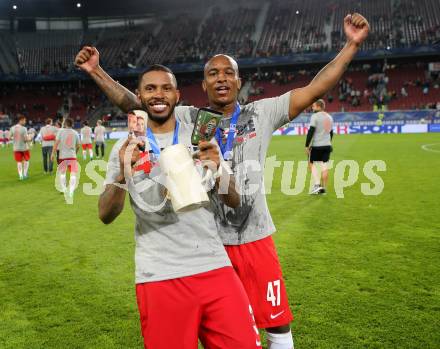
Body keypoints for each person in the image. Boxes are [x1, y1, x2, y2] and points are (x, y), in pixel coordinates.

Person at [75, 12, 369, 349]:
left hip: (253, 233)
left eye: (229, 72)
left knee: (277, 323)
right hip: (209, 242)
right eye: (213, 73)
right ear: (202, 86)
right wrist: (97, 71)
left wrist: (350, 46)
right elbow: (139, 102)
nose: (221, 79)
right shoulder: (190, 118)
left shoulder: (263, 112)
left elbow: (316, 86)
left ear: (239, 80)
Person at [98, 65, 261, 349]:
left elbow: (233, 200)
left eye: (165, 88)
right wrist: (123, 174)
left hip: (214, 267)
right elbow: (106, 215)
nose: (158, 95)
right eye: (150, 89)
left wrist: (219, 170)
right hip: (161, 274)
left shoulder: (201, 136)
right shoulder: (126, 147)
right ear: (139, 95)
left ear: (177, 94)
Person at [305, 99, 334, 195]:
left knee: (311, 163)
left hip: (317, 145)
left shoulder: (315, 116)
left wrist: (306, 145)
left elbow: (311, 131)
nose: (312, 107)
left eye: (313, 106)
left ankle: (317, 185)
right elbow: (331, 132)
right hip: (327, 145)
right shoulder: (329, 117)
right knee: (324, 165)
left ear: (319, 106)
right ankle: (324, 188)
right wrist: (329, 142)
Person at [51, 118, 80, 201]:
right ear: (72, 124)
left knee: (62, 173)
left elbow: (56, 143)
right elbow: (78, 146)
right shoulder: (75, 133)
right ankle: (71, 191)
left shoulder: (60, 132)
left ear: (65, 124)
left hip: (62, 156)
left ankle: (64, 189)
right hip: (72, 156)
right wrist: (75, 152)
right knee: (73, 173)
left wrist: (53, 153)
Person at [10, 115, 31, 180]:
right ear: (21, 120)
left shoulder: (12, 128)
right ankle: (24, 174)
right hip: (24, 147)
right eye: (24, 120)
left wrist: (16, 139)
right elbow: (25, 139)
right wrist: (30, 138)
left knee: (19, 161)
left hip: (16, 148)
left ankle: (20, 175)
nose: (25, 122)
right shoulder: (24, 128)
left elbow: (9, 137)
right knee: (26, 160)